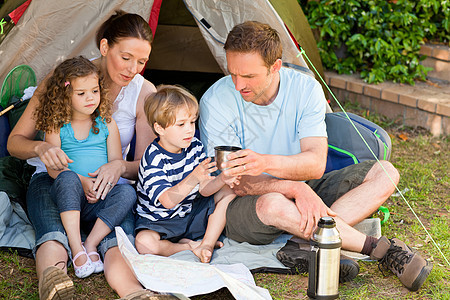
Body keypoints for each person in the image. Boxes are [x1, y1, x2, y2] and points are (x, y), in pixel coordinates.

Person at [199, 21, 432, 291]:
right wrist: (293, 187)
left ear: (275, 66)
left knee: (386, 172)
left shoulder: (305, 89)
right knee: (272, 203)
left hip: (304, 187)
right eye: (233, 73)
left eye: (249, 76)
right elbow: (234, 183)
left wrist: (279, 171)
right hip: (244, 205)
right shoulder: (216, 101)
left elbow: (315, 163)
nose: (238, 85)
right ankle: (378, 250)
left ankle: (306, 243)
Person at [7, 11, 171, 300]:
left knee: (117, 239)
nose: (133, 68)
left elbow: (145, 165)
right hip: (54, 178)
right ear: (105, 47)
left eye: (142, 61)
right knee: (51, 231)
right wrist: (41, 148)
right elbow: (14, 143)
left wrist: (118, 167)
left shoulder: (143, 92)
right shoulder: (62, 82)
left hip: (105, 185)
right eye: (126, 57)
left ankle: (134, 293)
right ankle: (54, 283)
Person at [34, 56, 136, 279]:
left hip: (99, 196)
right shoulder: (57, 125)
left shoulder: (107, 123)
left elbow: (116, 164)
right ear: (65, 95)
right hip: (68, 195)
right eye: (81, 94)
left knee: (127, 192)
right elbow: (54, 170)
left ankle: (91, 243)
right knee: (67, 178)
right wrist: (83, 182)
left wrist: (102, 187)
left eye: (95, 91)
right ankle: (76, 247)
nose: (90, 98)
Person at [135, 85, 238, 264]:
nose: (189, 130)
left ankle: (206, 244)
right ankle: (187, 246)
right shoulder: (153, 158)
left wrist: (222, 178)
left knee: (228, 191)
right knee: (144, 243)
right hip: (160, 221)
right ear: (159, 128)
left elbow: (205, 190)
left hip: (188, 212)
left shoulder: (195, 147)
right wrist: (194, 177)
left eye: (192, 122)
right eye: (181, 124)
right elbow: (167, 201)